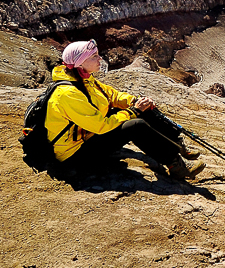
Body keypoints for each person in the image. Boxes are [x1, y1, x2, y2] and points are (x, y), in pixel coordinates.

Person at [45, 39, 205, 180]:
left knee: (143, 110)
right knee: (136, 126)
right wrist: (133, 111)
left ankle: (177, 144)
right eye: (94, 56)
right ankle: (176, 166)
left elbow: (111, 95)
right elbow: (100, 126)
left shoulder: (83, 79)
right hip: (75, 154)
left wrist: (135, 102)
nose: (99, 58)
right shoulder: (68, 94)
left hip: (87, 135)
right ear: (80, 63)